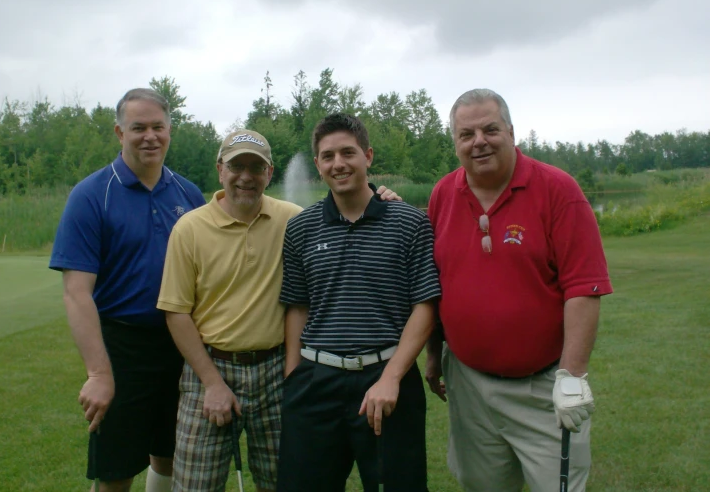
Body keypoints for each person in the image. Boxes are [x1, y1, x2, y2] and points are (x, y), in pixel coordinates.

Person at [157, 129, 402, 492]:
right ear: (220, 169)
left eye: (256, 168)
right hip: (209, 370)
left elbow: (347, 211)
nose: (245, 176)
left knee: (285, 482)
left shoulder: (294, 220)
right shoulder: (189, 228)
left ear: (269, 174)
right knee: (195, 484)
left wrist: (384, 198)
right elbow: (176, 313)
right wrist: (211, 383)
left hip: (276, 369)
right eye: (236, 166)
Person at [424, 88, 613, 492]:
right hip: (469, 386)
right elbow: (438, 283)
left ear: (510, 131)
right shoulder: (443, 194)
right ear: (455, 142)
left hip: (544, 388)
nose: (479, 142)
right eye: (466, 134)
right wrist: (434, 355)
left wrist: (573, 376)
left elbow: (583, 288)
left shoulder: (558, 190)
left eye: (490, 129)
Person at [49, 88, 206, 492]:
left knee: (171, 454)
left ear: (170, 131)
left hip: (181, 342)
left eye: (158, 127)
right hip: (121, 347)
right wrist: (99, 373)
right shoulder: (91, 195)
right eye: (138, 128)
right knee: (116, 468)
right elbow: (76, 293)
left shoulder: (188, 194)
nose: (149, 136)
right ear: (120, 133)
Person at [277, 113, 441, 492]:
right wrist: (292, 377)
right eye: (328, 156)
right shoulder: (301, 228)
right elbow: (297, 306)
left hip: (386, 378)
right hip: (315, 381)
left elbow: (425, 306)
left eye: (348, 153)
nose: (339, 164)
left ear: (367, 155)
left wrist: (392, 377)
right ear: (317, 164)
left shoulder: (410, 223)